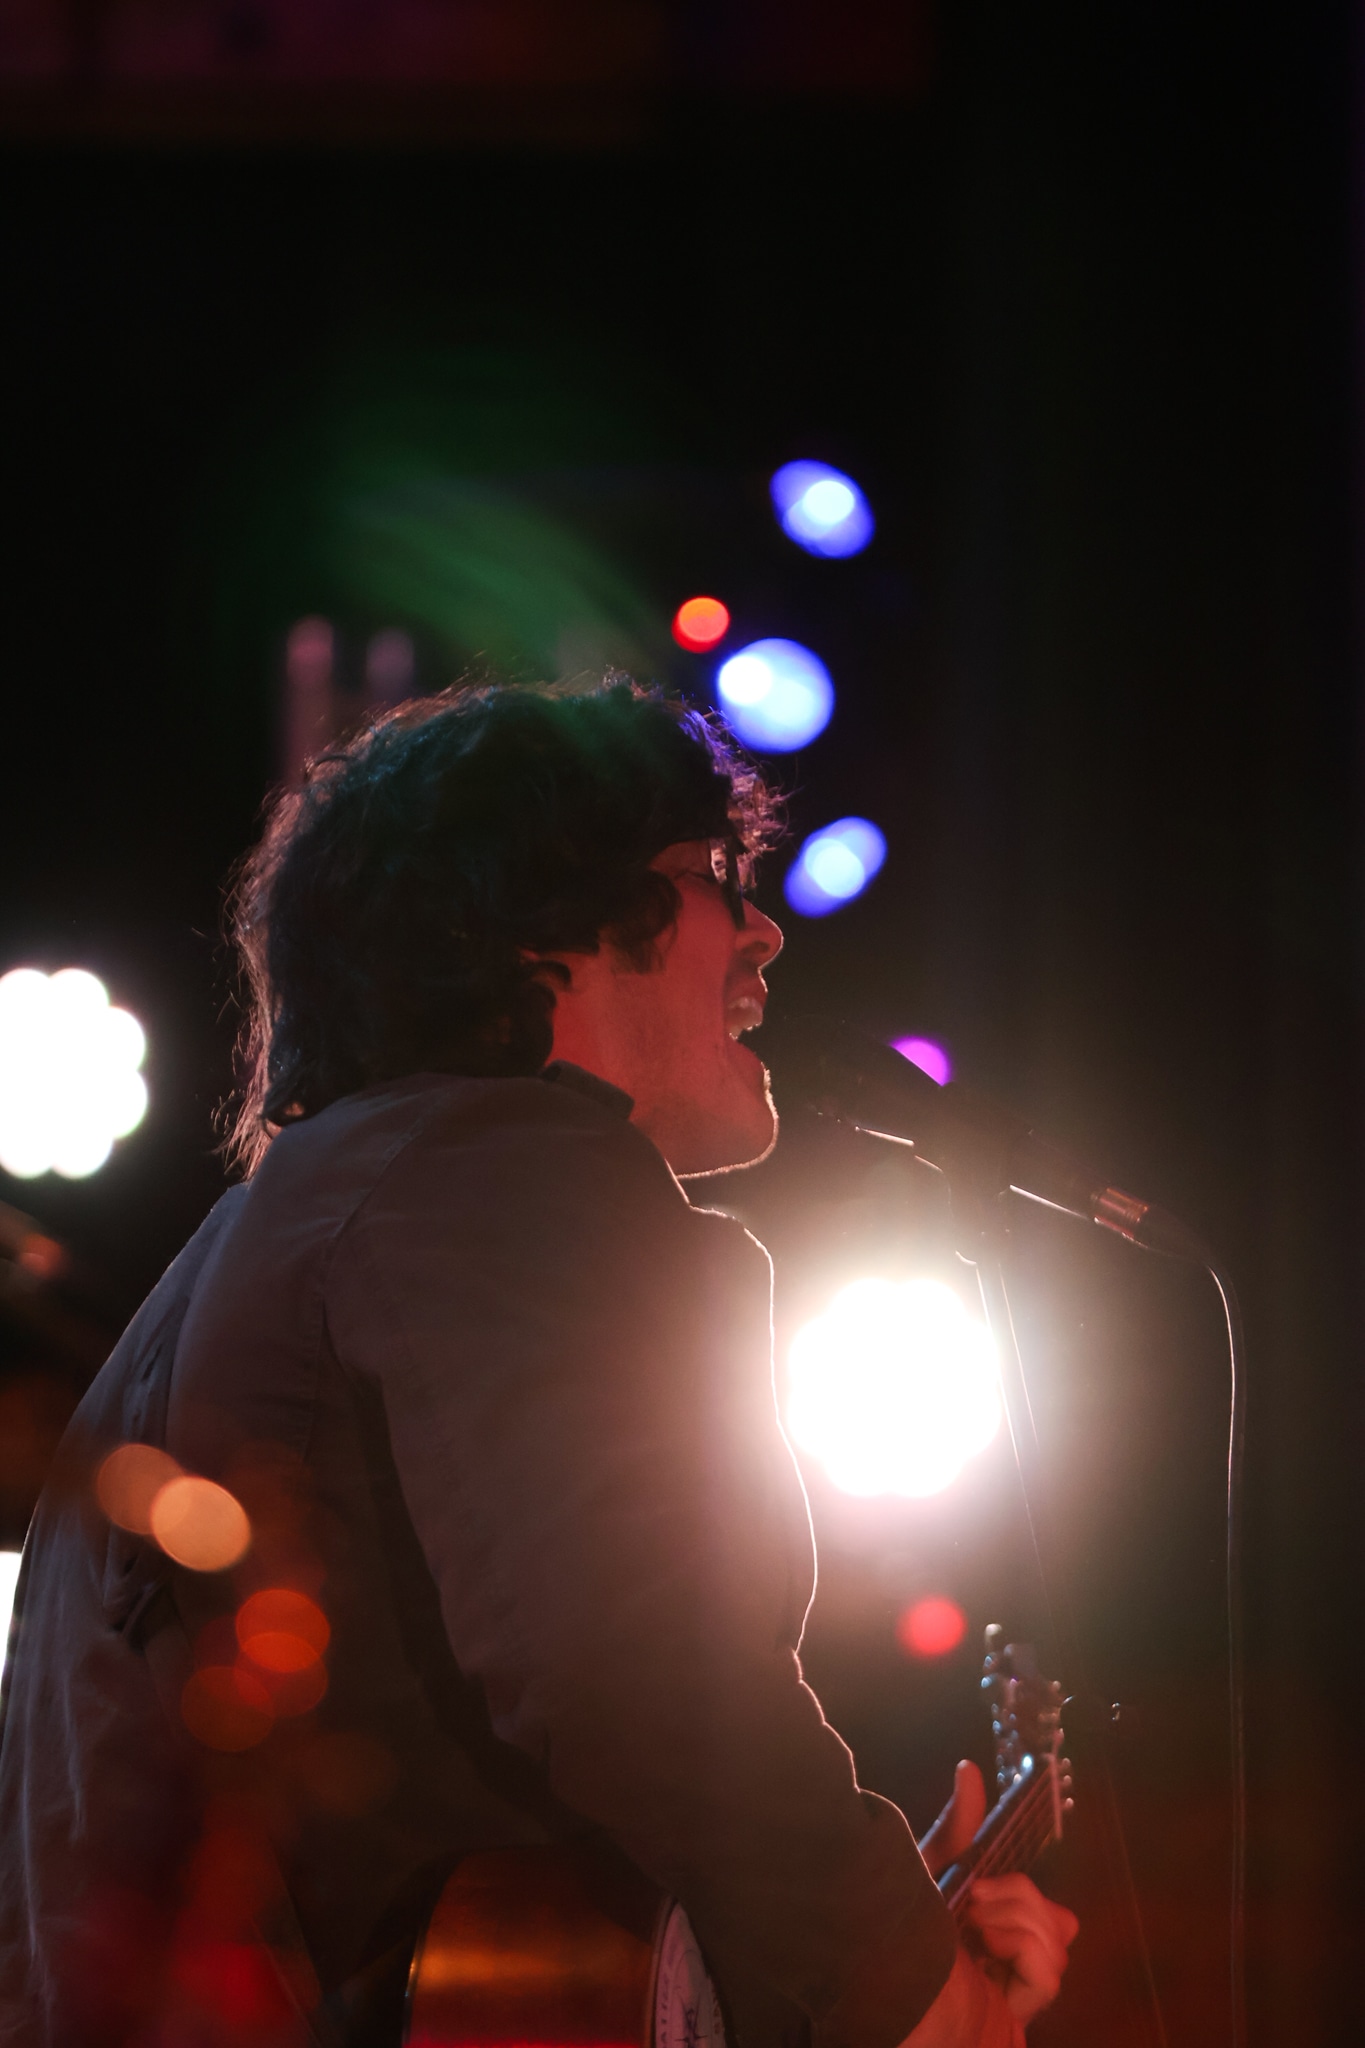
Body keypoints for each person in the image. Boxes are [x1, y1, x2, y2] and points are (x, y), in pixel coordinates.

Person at [0, 679, 1075, 2048]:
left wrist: (846, 1949)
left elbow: (525, 1934)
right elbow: (639, 1662)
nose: (764, 930)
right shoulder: (507, 1165)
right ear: (538, 921)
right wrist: (911, 1988)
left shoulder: (272, 1232)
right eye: (713, 873)